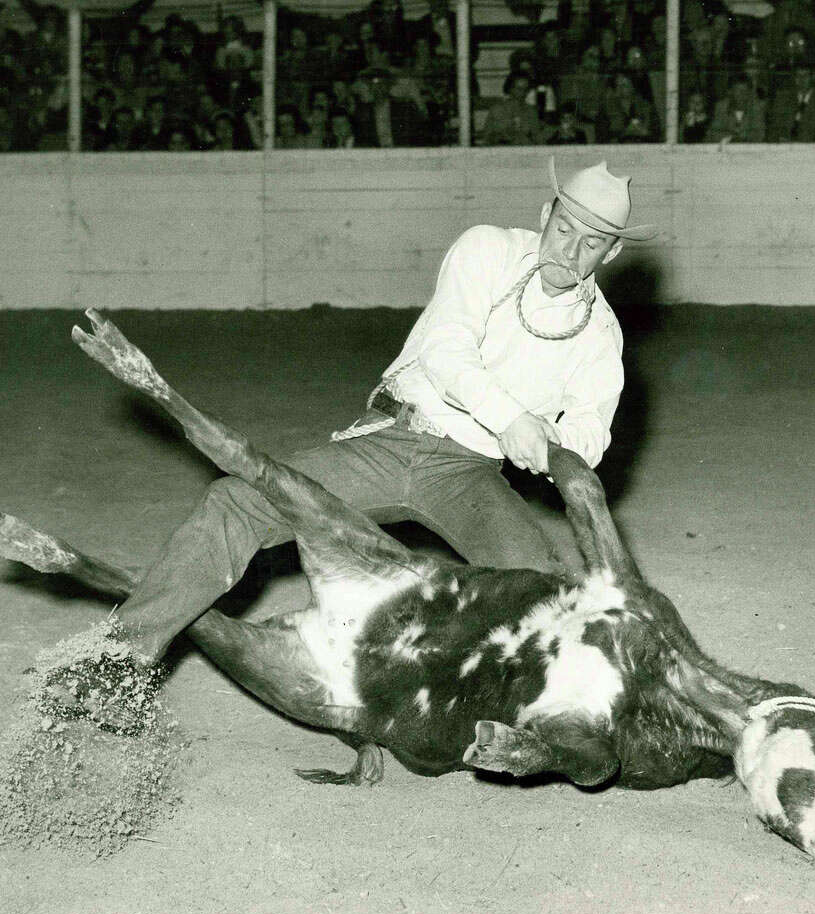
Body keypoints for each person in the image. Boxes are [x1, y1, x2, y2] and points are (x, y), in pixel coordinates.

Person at [110, 157, 657, 664]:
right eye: (563, 229)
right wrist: (513, 417)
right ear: (545, 214)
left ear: (610, 253)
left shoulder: (601, 338)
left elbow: (591, 438)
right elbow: (445, 349)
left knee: (544, 594)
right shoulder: (488, 248)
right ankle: (116, 661)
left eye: (592, 243)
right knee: (237, 500)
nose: (569, 251)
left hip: (468, 474)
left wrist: (554, 449)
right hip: (392, 439)